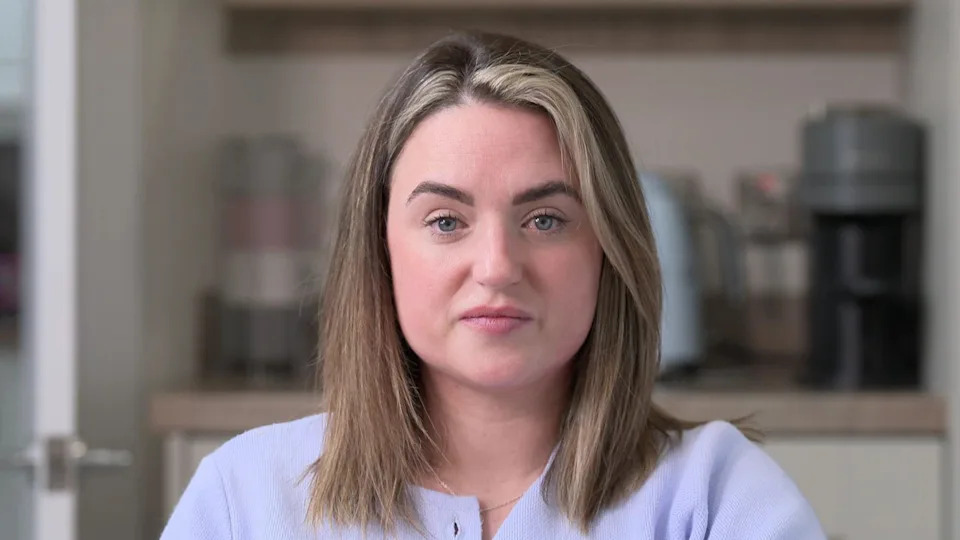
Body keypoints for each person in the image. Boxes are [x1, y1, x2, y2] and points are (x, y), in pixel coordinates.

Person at [161, 31, 825, 540]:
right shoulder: (245, 496)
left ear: (608, 248)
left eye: (545, 219)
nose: (498, 265)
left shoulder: (715, 497)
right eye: (447, 221)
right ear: (381, 250)